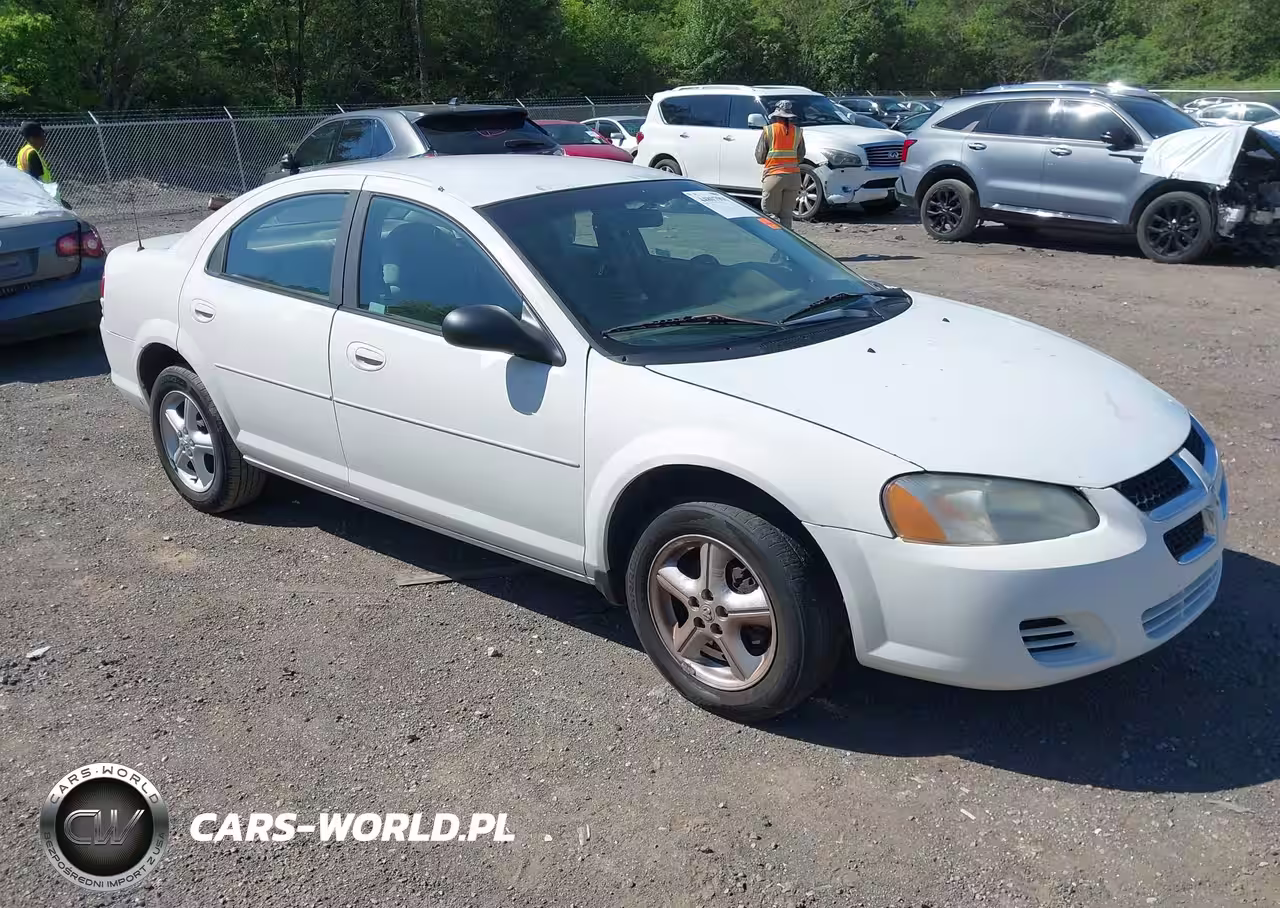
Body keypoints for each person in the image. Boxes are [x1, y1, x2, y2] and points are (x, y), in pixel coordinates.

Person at [754, 100, 806, 229]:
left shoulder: (769, 130)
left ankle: (772, 238)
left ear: (776, 115)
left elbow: (760, 157)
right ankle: (786, 239)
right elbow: (801, 155)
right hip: (794, 178)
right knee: (787, 215)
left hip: (774, 176)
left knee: (770, 214)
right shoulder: (797, 132)